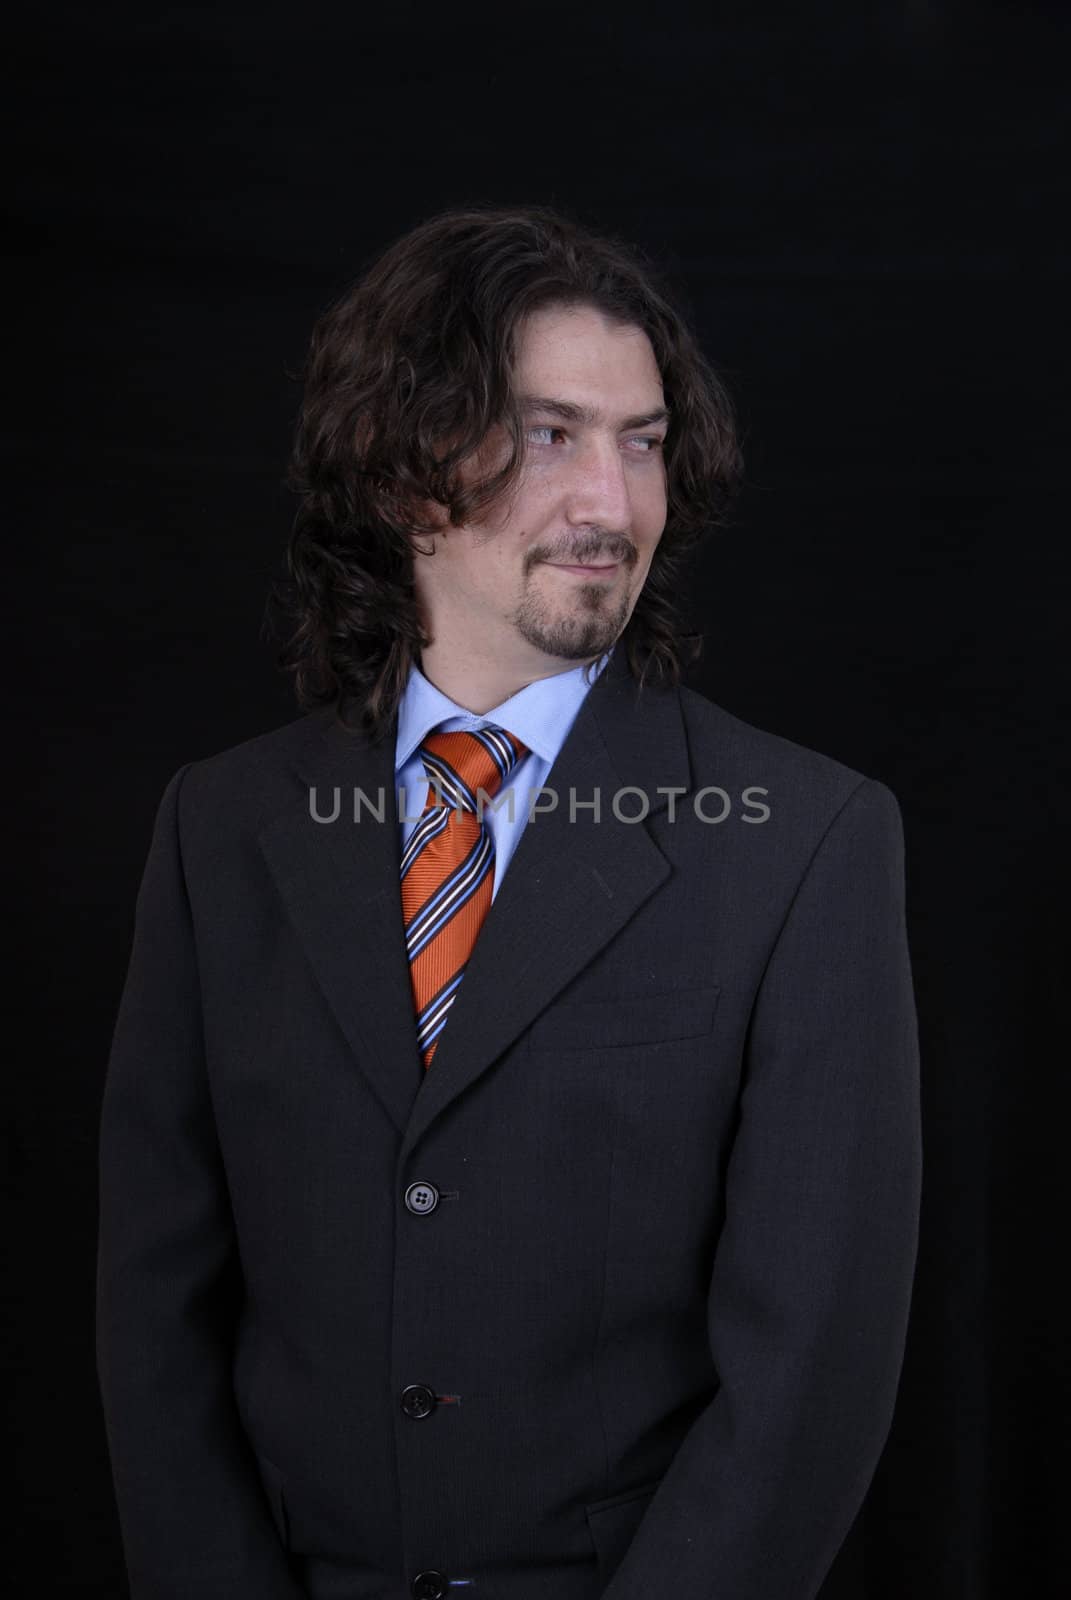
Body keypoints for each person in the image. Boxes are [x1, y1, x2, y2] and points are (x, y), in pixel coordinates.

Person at [96, 205, 922, 1600]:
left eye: (642, 440)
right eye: (549, 434)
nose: (612, 503)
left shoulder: (806, 841)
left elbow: (811, 1373)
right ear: (401, 459)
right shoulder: (220, 827)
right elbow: (154, 1308)